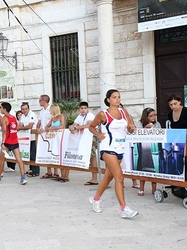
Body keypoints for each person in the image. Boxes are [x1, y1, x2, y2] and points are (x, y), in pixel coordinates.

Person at [88, 89, 138, 219]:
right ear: (108, 100)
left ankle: (96, 199)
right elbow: (91, 127)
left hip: (120, 148)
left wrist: (131, 128)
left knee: (108, 177)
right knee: (119, 178)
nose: (117, 99)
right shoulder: (103, 114)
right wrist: (99, 134)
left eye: (119, 97)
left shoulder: (123, 112)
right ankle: (124, 209)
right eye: (114, 97)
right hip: (108, 148)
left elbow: (129, 128)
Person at [0, 102, 27, 185]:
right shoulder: (13, 117)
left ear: (4, 109)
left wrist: (3, 143)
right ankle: (23, 177)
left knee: (2, 160)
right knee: (19, 159)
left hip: (7, 141)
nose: (0, 109)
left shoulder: (4, 118)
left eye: (1, 108)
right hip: (15, 140)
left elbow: (4, 131)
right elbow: (16, 128)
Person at [69, 101, 99, 185]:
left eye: (85, 108)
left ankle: (95, 178)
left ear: (87, 108)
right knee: (88, 156)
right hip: (84, 138)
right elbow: (74, 124)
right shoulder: (79, 116)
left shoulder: (90, 115)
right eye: (81, 108)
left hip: (91, 137)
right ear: (79, 109)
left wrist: (76, 127)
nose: (83, 110)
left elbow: (88, 125)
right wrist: (71, 127)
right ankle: (93, 178)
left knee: (92, 156)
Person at [136, 107, 161, 196]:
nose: (153, 117)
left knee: (153, 169)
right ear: (146, 117)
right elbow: (136, 134)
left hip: (153, 147)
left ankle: (154, 189)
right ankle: (141, 188)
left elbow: (160, 135)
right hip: (143, 147)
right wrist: (144, 129)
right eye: (151, 116)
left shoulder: (157, 124)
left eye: (154, 115)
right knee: (142, 168)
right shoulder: (140, 123)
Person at [45, 104, 69, 182]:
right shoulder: (52, 118)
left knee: (64, 157)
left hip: (62, 138)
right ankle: (62, 175)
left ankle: (66, 175)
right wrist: (48, 128)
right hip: (55, 139)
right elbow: (46, 126)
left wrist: (52, 128)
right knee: (58, 157)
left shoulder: (61, 117)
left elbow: (62, 126)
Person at [37, 95, 58, 179]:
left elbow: (54, 119)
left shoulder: (52, 109)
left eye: (40, 100)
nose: (39, 102)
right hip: (43, 134)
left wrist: (46, 128)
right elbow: (39, 121)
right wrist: (38, 128)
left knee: (53, 151)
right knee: (46, 151)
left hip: (51, 133)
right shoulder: (42, 111)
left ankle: (56, 172)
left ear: (44, 101)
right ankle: (48, 171)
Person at [19, 102, 39, 177]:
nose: (24, 110)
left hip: (33, 137)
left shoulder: (32, 114)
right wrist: (18, 128)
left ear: (28, 108)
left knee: (33, 154)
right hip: (26, 138)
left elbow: (30, 126)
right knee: (29, 154)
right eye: (23, 109)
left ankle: (36, 171)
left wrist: (20, 128)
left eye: (26, 109)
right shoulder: (23, 116)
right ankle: (31, 168)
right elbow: (21, 124)